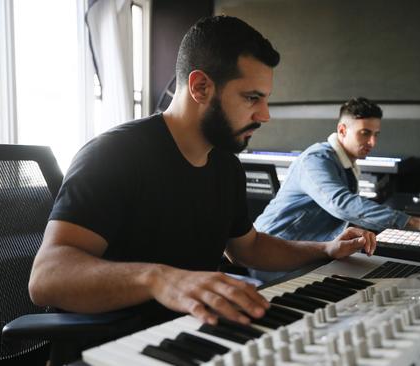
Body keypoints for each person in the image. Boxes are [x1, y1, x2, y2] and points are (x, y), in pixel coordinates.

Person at [28, 16, 376, 329]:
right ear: (200, 87)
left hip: (192, 332)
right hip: (114, 345)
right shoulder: (113, 155)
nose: (265, 115)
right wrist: (158, 279)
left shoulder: (225, 165)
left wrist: (325, 249)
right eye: (252, 98)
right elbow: (46, 278)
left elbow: (248, 248)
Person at [251, 97, 420, 282]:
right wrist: (413, 222)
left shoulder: (346, 161)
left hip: (307, 250)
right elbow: (341, 203)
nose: (372, 142)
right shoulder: (315, 159)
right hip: (270, 256)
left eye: (376, 134)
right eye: (364, 133)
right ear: (342, 130)